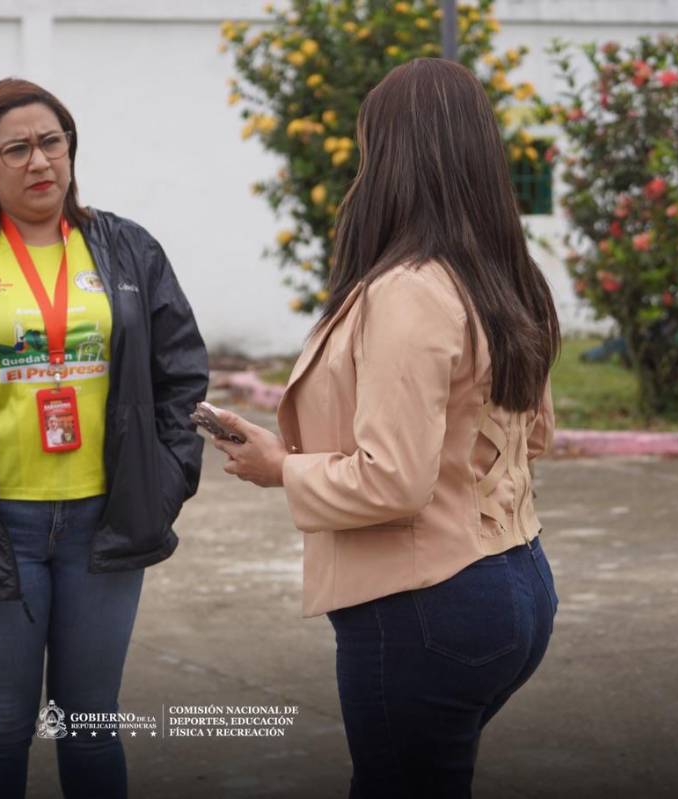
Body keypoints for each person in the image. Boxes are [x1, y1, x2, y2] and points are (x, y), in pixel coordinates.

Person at [210, 58, 561, 798]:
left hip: (425, 604)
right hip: (517, 580)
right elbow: (536, 436)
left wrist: (282, 467)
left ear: (393, 157)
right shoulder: (507, 275)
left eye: (370, 149)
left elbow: (393, 479)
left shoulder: (410, 291)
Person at [0, 78, 208, 799]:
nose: (40, 162)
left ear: (71, 150)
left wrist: (162, 485)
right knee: (0, 725)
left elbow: (181, 375)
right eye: (18, 148)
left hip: (107, 520)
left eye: (52, 142)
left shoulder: (126, 249)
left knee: (89, 723)